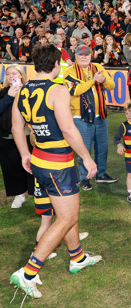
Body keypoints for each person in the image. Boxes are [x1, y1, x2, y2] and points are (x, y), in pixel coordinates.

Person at [10, 44, 101, 300]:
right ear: (55, 65)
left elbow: (18, 127)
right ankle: (28, 273)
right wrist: (86, 158)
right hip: (57, 162)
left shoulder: (23, 90)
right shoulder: (58, 90)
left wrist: (25, 154)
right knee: (67, 217)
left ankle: (77, 257)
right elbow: (69, 130)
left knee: (66, 213)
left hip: (39, 158)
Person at [64, 44, 117, 191]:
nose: (84, 56)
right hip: (80, 117)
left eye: (86, 54)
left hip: (101, 115)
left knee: (102, 148)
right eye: (81, 54)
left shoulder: (98, 66)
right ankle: (84, 178)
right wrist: (93, 80)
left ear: (90, 55)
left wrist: (104, 80)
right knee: (84, 149)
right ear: (75, 56)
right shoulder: (69, 71)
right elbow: (75, 90)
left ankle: (101, 174)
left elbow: (111, 85)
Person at [0, 64, 33, 209]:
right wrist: (8, 97)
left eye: (14, 73)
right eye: (8, 74)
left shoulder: (29, 91)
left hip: (27, 135)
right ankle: (19, 194)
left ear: (21, 75)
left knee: (32, 166)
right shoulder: (3, 92)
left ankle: (37, 193)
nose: (11, 76)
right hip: (6, 136)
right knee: (11, 168)